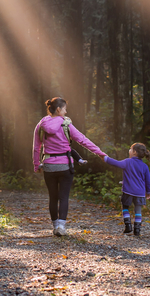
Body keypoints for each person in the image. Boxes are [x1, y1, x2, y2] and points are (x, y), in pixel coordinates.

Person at [33, 97, 107, 236]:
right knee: (64, 197)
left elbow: (36, 148)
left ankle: (55, 226)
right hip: (65, 166)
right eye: (65, 109)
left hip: (49, 166)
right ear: (59, 109)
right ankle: (61, 227)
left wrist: (37, 165)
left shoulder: (41, 125)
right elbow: (82, 140)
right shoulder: (66, 124)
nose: (66, 112)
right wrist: (100, 153)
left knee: (53, 197)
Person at [102, 143, 150, 236]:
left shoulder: (127, 162)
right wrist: (148, 192)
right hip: (140, 193)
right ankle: (137, 230)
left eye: (130, 149)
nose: (129, 150)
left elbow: (115, 163)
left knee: (125, 207)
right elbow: (148, 181)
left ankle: (128, 225)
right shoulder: (145, 166)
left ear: (134, 152)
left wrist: (105, 158)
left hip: (128, 191)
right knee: (138, 210)